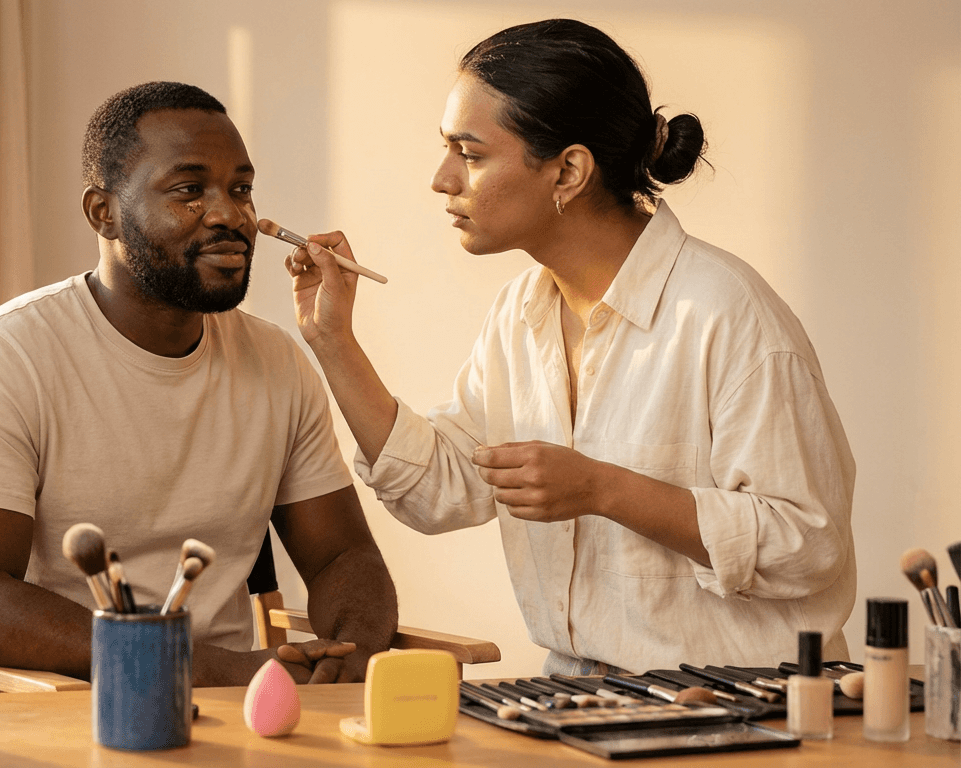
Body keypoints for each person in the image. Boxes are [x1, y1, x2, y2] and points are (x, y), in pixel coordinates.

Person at [285, 19, 855, 675]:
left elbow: (808, 547)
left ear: (569, 171)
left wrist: (604, 489)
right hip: (579, 707)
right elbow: (440, 490)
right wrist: (332, 341)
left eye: (469, 154)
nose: (442, 179)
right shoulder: (520, 314)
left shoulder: (728, 316)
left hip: (743, 716)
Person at [0, 81, 397, 687]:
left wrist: (347, 659)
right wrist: (214, 670)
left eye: (241, 189)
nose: (231, 215)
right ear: (104, 213)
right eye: (189, 191)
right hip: (55, 707)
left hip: (232, 716)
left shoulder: (278, 362)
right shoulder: (3, 356)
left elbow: (342, 557)